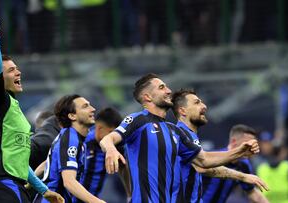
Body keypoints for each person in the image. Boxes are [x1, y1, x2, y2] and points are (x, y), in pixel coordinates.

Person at [0, 3, 64, 203]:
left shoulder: (14, 110)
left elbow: (20, 162)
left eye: (17, 68)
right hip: (2, 184)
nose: (18, 72)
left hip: (15, 185)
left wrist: (44, 190)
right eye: (11, 70)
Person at [99, 73, 260, 202]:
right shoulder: (138, 120)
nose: (168, 91)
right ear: (147, 97)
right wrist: (111, 149)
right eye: (162, 87)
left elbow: (203, 160)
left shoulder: (175, 131)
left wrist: (239, 152)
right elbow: (107, 139)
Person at [171, 89, 269, 203]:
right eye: (197, 102)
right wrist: (241, 158)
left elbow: (253, 194)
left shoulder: (189, 135)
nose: (204, 106)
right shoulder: (180, 133)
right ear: (183, 111)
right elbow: (203, 164)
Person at [36, 94, 105, 203]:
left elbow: (49, 161)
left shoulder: (71, 137)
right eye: (85, 106)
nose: (93, 109)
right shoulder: (70, 138)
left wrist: (30, 182)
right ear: (72, 116)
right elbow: (69, 182)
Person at [201, 125, 269, 203]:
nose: (251, 148)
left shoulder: (243, 164)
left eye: (253, 144)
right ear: (233, 142)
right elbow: (200, 168)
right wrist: (242, 176)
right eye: (248, 144)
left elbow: (252, 193)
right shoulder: (213, 157)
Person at [79, 107, 130, 199]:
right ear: (99, 129)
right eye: (111, 132)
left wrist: (129, 194)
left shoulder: (116, 146)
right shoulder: (82, 142)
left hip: (93, 198)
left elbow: (123, 168)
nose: (113, 136)